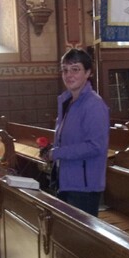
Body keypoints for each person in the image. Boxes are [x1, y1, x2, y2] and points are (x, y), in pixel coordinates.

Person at [46, 48, 109, 216]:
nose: (69, 75)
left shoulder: (94, 105)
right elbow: (69, 139)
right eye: (65, 70)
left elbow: (96, 146)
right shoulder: (67, 101)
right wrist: (52, 149)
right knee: (67, 237)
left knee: (81, 240)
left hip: (84, 186)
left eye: (75, 69)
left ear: (88, 72)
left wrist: (57, 153)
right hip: (65, 180)